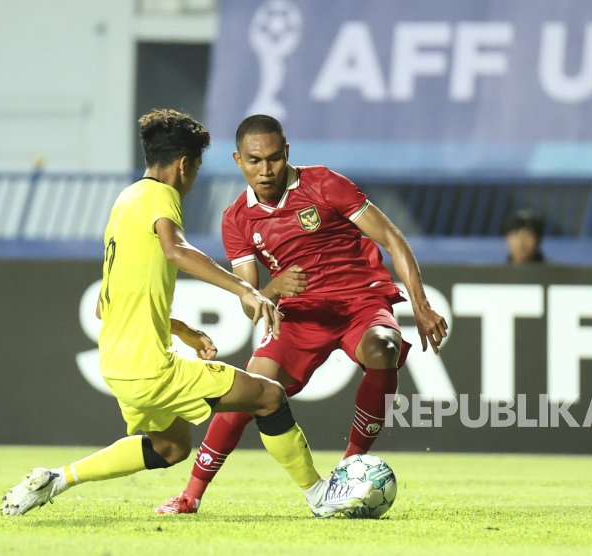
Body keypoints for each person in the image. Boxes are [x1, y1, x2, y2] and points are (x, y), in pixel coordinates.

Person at [0, 109, 373, 518]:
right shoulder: (162, 196)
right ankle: (320, 495)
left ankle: (57, 478)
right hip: (150, 367)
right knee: (269, 396)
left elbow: (104, 304)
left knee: (171, 446)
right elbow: (176, 250)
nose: (192, 180)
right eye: (194, 169)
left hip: (117, 363)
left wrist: (182, 330)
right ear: (183, 165)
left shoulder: (125, 201)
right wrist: (245, 289)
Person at [155, 114, 448, 514]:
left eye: (274, 158)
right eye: (255, 160)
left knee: (384, 348)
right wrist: (273, 290)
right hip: (299, 316)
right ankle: (190, 494)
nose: (266, 169)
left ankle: (348, 470)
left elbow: (391, 237)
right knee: (248, 390)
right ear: (238, 160)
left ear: (287, 153)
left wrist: (421, 304)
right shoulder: (237, 219)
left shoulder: (324, 184)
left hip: (359, 301)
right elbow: (249, 299)